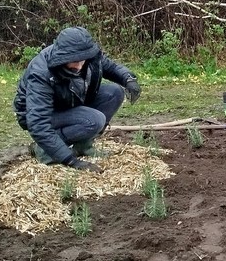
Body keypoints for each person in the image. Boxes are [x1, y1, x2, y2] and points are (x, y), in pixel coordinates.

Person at [13, 26, 141, 170]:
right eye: (74, 60)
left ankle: (83, 146)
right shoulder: (41, 72)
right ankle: (43, 150)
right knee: (93, 120)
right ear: (63, 56)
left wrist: (128, 79)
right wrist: (71, 161)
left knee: (114, 93)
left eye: (82, 60)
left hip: (69, 100)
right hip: (40, 113)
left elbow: (110, 67)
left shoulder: (89, 56)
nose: (79, 65)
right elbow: (37, 122)